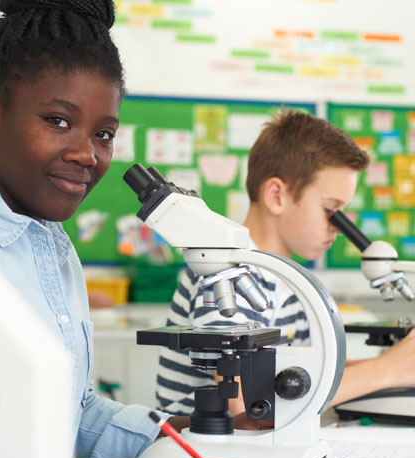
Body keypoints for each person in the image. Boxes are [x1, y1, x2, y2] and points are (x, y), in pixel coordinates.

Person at [0, 1, 257, 458]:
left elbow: (73, 410)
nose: (88, 155)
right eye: (58, 121)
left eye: (104, 133)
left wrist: (180, 434)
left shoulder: (56, 249)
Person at [156, 110, 415, 416]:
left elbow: (298, 374)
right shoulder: (225, 272)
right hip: (205, 456)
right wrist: (387, 370)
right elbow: (246, 405)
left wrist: (400, 363)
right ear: (277, 196)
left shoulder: (289, 280)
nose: (340, 226)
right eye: (332, 210)